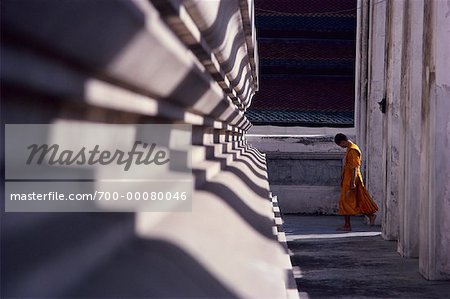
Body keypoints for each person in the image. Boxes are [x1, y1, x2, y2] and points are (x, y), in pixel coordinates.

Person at [334, 133, 378, 231]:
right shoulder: (350, 149)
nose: (341, 147)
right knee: (356, 200)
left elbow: (354, 167)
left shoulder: (353, 150)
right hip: (348, 178)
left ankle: (347, 225)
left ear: (343, 141)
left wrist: (353, 182)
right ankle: (369, 215)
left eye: (340, 145)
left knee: (345, 201)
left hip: (352, 178)